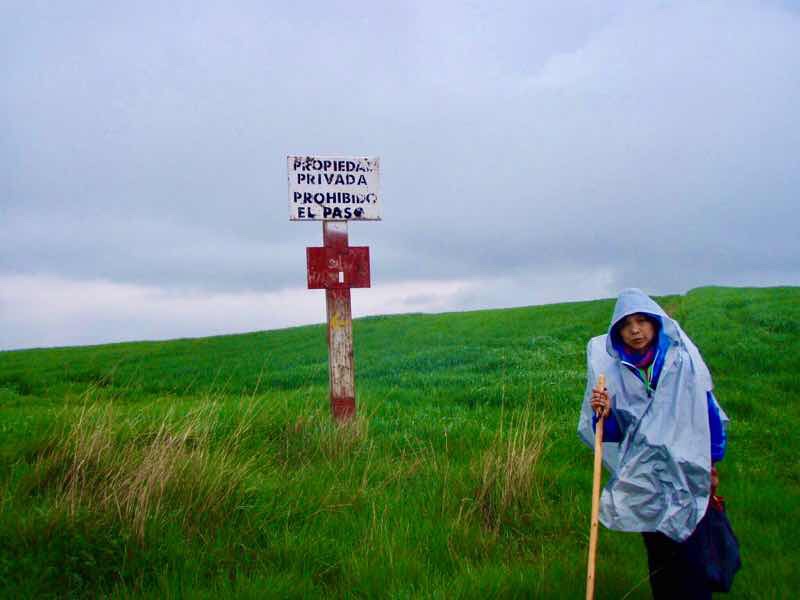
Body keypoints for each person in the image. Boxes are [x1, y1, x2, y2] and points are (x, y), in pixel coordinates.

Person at [577, 288, 728, 599]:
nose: (635, 330)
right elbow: (612, 434)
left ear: (655, 323)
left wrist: (712, 462)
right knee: (660, 557)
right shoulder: (614, 374)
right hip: (646, 477)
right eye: (627, 324)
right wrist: (604, 413)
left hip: (686, 471)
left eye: (642, 321)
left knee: (692, 555)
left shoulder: (681, 363)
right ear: (618, 332)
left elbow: (707, 411)